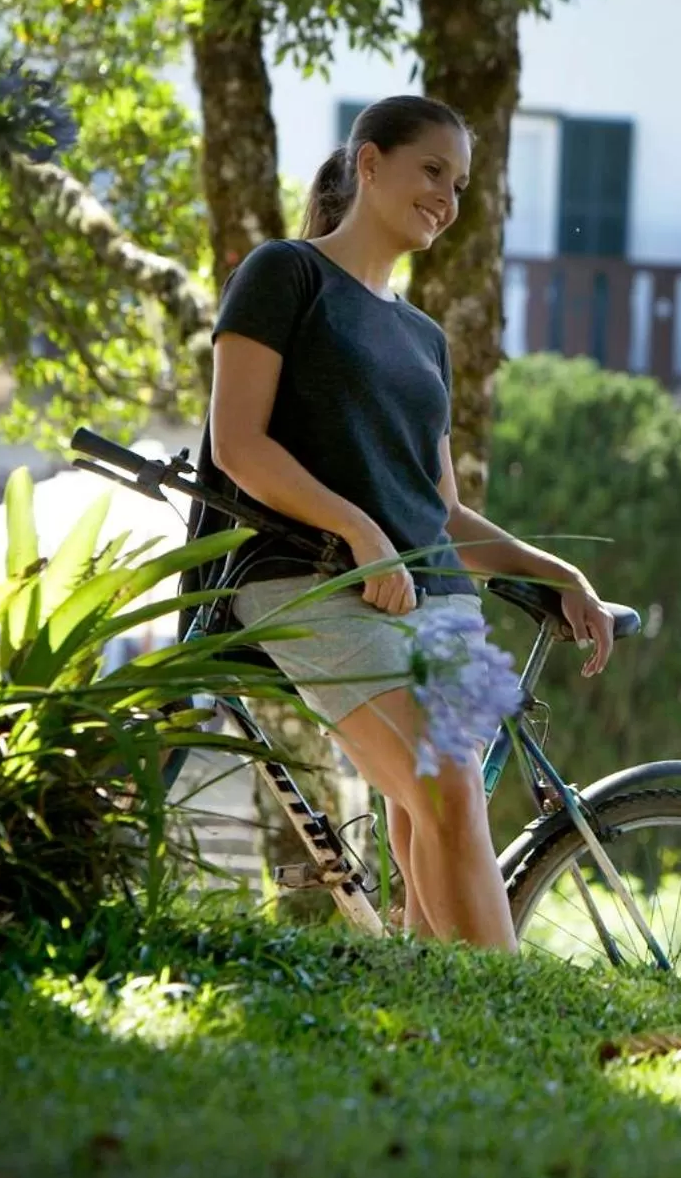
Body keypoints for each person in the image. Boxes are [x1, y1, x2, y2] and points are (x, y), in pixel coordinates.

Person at [207, 95, 618, 950]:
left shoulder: (424, 338)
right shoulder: (286, 274)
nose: (447, 196)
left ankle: (444, 1007)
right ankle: (508, 1017)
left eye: (460, 184)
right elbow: (238, 443)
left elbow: (442, 512)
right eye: (432, 169)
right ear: (369, 162)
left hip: (429, 594)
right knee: (445, 784)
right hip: (309, 575)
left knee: (429, 805)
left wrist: (557, 573)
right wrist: (359, 530)